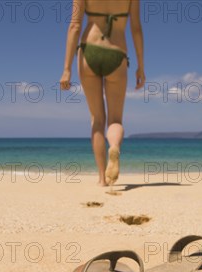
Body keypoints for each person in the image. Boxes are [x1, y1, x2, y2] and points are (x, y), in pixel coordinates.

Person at [60, 0, 145, 187]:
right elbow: (136, 28)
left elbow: (75, 26)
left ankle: (101, 179)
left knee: (97, 120)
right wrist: (140, 66)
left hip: (89, 50)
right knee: (115, 120)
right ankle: (114, 146)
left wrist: (66, 68)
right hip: (117, 53)